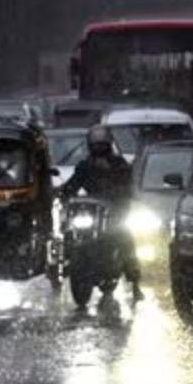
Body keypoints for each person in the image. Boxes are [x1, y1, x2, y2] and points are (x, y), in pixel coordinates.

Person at [61, 125, 143, 300]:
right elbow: (73, 183)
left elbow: (127, 185)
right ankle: (62, 266)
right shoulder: (85, 165)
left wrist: (118, 193)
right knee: (68, 232)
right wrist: (63, 192)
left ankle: (135, 282)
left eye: (102, 145)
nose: (99, 148)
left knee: (124, 237)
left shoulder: (119, 164)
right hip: (92, 211)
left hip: (115, 211)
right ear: (90, 145)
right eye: (95, 145)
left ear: (109, 144)